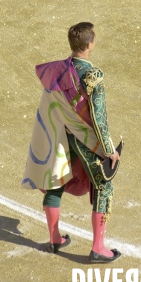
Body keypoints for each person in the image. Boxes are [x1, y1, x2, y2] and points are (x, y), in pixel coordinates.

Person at [21, 22, 122, 263]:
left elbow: (49, 110)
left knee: (55, 183)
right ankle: (98, 247)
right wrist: (109, 150)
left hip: (58, 136)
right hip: (86, 141)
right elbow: (98, 119)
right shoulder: (92, 77)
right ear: (90, 45)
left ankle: (55, 239)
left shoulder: (54, 71)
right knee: (103, 188)